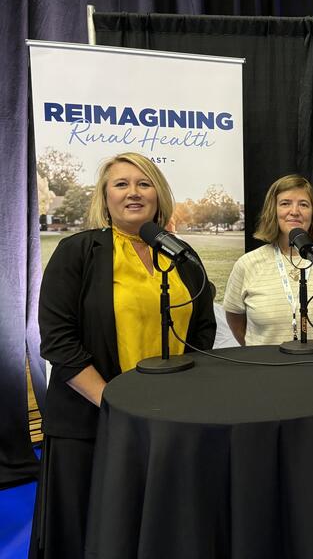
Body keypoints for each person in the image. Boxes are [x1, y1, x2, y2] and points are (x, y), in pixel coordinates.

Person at [29, 152, 216, 559]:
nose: (134, 192)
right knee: (93, 533)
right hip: (93, 420)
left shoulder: (181, 254)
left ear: (158, 194)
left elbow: (203, 328)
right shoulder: (77, 252)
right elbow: (58, 342)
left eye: (144, 183)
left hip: (169, 420)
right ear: (105, 196)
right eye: (121, 184)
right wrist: (114, 405)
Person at [224, 174, 313, 347]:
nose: (295, 211)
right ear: (272, 211)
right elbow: (235, 317)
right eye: (285, 203)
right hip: (267, 369)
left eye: (303, 204)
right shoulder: (247, 264)